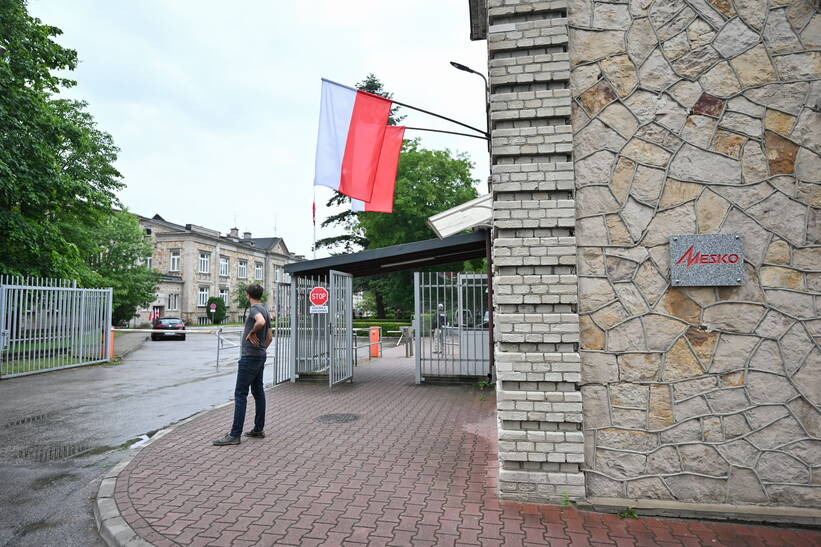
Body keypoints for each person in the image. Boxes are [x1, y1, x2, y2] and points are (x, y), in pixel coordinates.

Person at [213, 283, 272, 446]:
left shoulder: (254, 310)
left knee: (240, 394)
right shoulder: (266, 310)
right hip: (260, 356)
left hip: (249, 358)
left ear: (248, 295)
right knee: (258, 391)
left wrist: (252, 332)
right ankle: (258, 429)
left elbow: (259, 322)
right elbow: (269, 337)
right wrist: (261, 350)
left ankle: (234, 434)